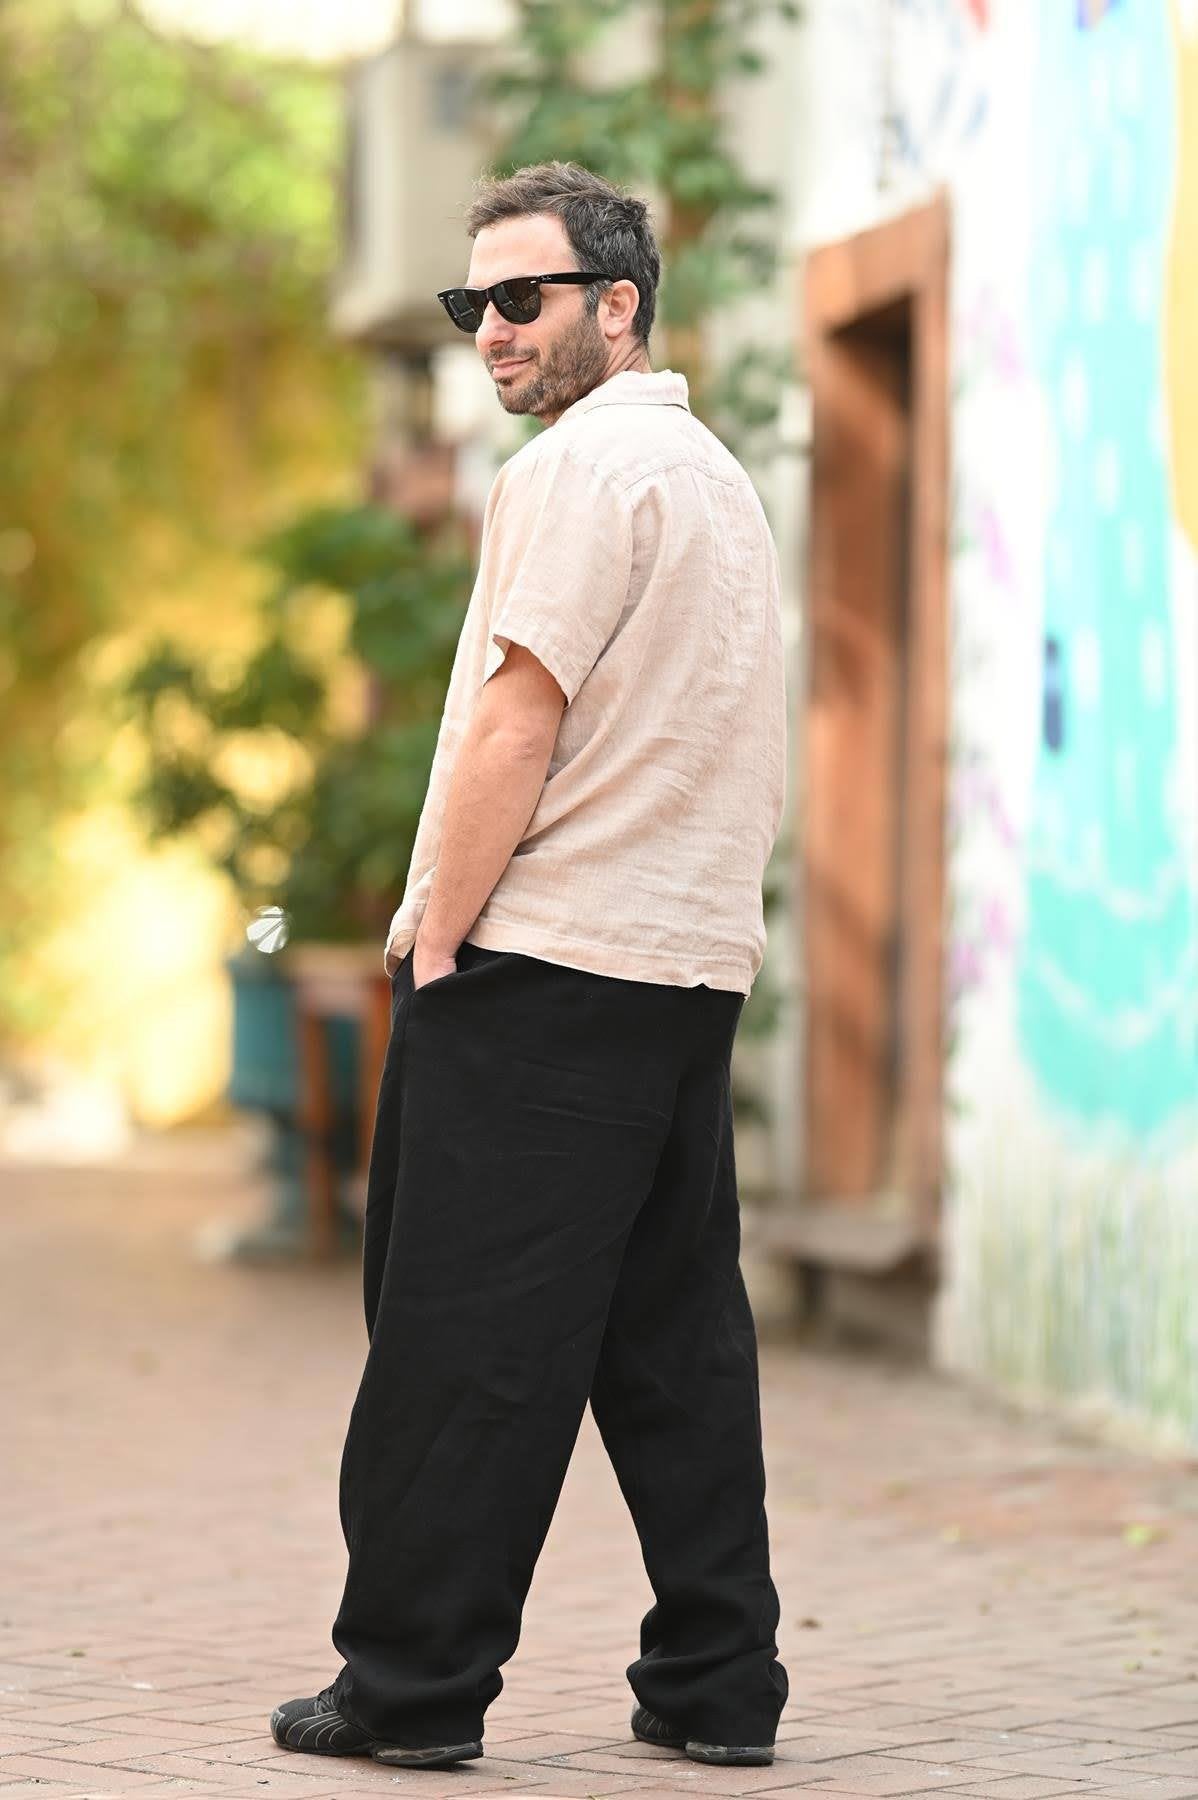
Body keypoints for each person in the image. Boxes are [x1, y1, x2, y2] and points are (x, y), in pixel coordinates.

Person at [270, 160, 789, 1774]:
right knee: (672, 1344)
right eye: (470, 303)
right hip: (681, 969)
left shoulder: (578, 470)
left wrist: (436, 935)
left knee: (457, 1345)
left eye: (521, 298)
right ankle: (718, 1682)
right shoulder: (714, 479)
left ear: (616, 307)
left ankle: (410, 1691)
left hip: (546, 965)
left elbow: (516, 718)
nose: (490, 330)